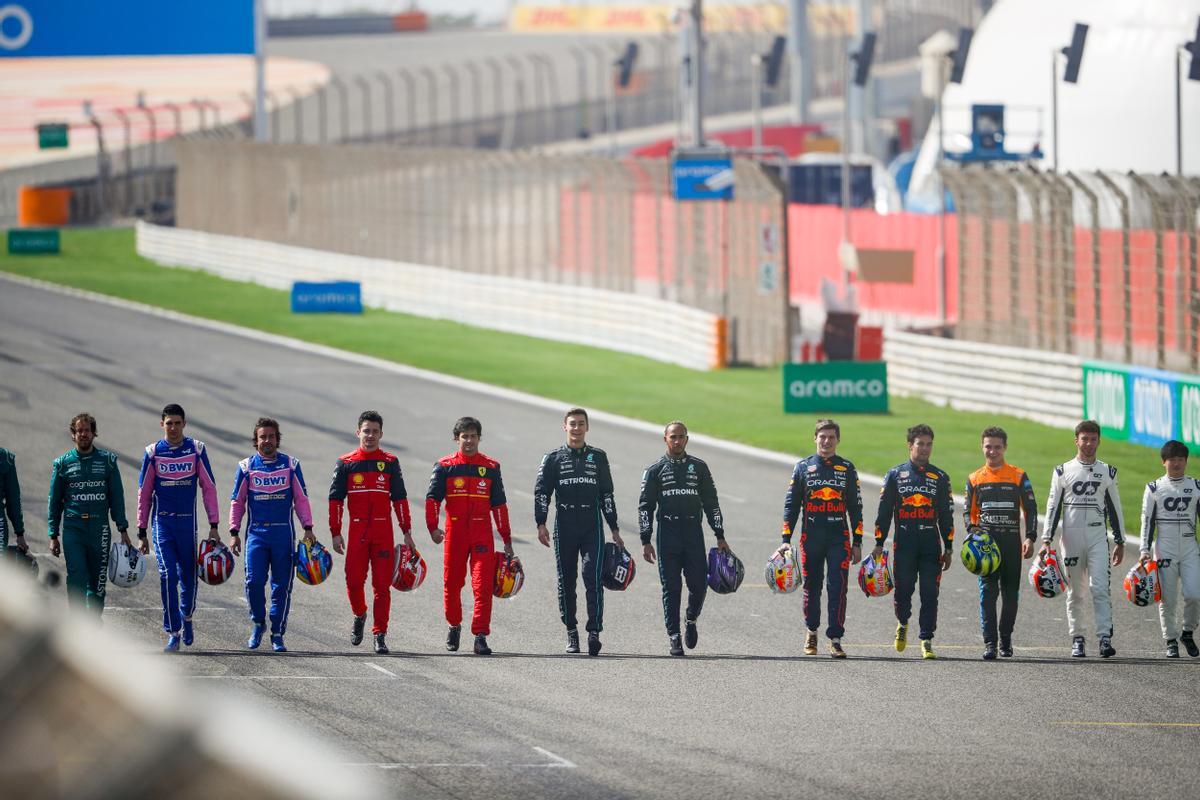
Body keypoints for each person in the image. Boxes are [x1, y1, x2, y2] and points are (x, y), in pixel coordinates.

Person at [535, 408, 623, 656]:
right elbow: (542, 493)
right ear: (565, 426)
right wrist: (540, 523)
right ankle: (571, 632)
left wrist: (614, 528)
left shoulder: (598, 457)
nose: (576, 428)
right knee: (567, 580)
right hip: (564, 523)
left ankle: (594, 631)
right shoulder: (552, 458)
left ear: (587, 427)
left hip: (591, 524)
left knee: (591, 576)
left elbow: (607, 495)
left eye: (581, 424)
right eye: (572, 424)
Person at [639, 420, 728, 657]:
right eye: (673, 437)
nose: (677, 441)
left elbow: (712, 503)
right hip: (667, 534)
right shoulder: (655, 470)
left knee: (699, 585)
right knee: (671, 588)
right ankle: (674, 636)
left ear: (687, 439)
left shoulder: (699, 467)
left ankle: (691, 618)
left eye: (681, 437)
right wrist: (645, 540)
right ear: (665, 439)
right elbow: (645, 507)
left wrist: (720, 535)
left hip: (693, 533)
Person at [328, 410, 413, 655]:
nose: (370, 435)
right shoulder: (346, 463)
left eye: (375, 431)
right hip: (356, 532)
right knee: (354, 582)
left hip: (383, 532)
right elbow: (335, 499)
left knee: (382, 586)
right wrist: (335, 532)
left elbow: (400, 499)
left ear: (381, 434)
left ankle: (379, 634)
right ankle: (359, 614)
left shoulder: (389, 463)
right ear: (358, 433)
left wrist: (406, 531)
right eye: (366, 431)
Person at [426, 416, 513, 656]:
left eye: (473, 436)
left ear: (479, 438)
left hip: (482, 534)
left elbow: (500, 506)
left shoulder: (491, 467)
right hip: (454, 534)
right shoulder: (444, 466)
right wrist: (433, 527)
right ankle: (454, 625)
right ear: (457, 439)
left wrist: (506, 539)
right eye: (464, 436)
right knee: (452, 584)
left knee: (482, 586)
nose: (469, 441)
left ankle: (480, 636)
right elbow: (432, 499)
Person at [138, 403, 220, 652]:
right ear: (161, 424)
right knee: (167, 575)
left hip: (187, 524)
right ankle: (173, 631)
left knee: (188, 577)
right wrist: (142, 530)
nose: (173, 427)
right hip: (162, 523)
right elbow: (144, 493)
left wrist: (214, 525)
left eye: (177, 423)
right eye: (168, 423)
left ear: (184, 424)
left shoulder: (196, 450)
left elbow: (209, 488)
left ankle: (187, 616)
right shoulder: (153, 453)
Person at [778, 419, 863, 659]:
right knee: (812, 587)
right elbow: (791, 506)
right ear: (814, 438)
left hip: (839, 539)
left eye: (831, 437)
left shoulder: (847, 468)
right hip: (811, 537)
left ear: (838, 440)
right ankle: (811, 631)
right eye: (822, 437)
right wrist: (786, 538)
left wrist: (857, 542)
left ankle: (835, 638)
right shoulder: (803, 467)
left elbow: (856, 508)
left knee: (838, 587)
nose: (826, 441)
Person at [229, 418, 315, 653]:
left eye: (271, 437)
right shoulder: (246, 467)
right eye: (262, 437)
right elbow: (238, 502)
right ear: (255, 441)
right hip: (256, 533)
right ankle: (258, 623)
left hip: (282, 534)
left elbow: (301, 500)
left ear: (278, 439)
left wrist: (308, 528)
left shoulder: (291, 465)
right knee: (254, 581)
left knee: (281, 587)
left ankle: (277, 632)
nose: (267, 441)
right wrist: (234, 531)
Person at [1041, 420, 1125, 659]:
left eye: (1093, 439)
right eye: (1084, 439)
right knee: (1075, 592)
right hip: (1071, 538)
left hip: (1098, 537)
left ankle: (1104, 638)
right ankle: (1077, 638)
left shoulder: (1108, 472)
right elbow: (1053, 506)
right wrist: (1046, 538)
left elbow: (1115, 507)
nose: (1088, 444)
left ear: (1099, 441)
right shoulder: (1062, 471)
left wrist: (1119, 541)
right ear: (1076, 440)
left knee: (1099, 588)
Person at [872, 424, 954, 660]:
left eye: (929, 444)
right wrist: (879, 542)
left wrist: (948, 547)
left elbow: (947, 515)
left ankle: (926, 639)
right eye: (921, 443)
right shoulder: (895, 475)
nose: (925, 448)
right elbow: (884, 511)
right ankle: (902, 623)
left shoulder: (940, 477)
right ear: (910, 445)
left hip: (931, 544)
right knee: (904, 591)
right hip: (905, 543)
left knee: (930, 592)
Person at [47, 413, 136, 614]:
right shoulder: (62, 464)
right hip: (73, 529)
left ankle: (94, 622)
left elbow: (117, 498)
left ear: (94, 433)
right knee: (77, 577)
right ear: (73, 434)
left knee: (97, 582)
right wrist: (53, 534)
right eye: (79, 431)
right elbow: (54, 501)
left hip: (99, 530)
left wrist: (123, 529)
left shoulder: (108, 461)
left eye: (87, 430)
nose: (83, 434)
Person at [965, 426, 1038, 660]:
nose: (992, 451)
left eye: (997, 447)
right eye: (988, 446)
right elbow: (968, 512)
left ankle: (1006, 640)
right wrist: (972, 530)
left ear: (1005, 448)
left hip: (1011, 545)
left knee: (1010, 594)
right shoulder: (974, 478)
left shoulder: (1018, 475)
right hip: (987, 548)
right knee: (987, 594)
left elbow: (1031, 508)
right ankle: (990, 644)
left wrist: (1030, 536)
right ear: (982, 447)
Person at [1137, 440, 1199, 658]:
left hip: (1191, 547)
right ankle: (1170, 639)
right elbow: (1147, 521)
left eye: (1181, 459)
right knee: (1168, 599)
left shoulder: (1196, 487)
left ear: (1186, 461)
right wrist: (1144, 550)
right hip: (1165, 549)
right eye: (1172, 459)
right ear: (1164, 462)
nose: (1177, 463)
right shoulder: (1154, 488)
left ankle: (1188, 632)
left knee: (1194, 595)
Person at [0, 446, 25, 556]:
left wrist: (20, 532)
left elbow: (13, 498)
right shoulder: (5, 458)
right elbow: (13, 498)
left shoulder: (5, 458)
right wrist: (20, 534)